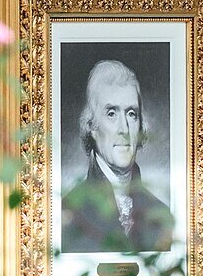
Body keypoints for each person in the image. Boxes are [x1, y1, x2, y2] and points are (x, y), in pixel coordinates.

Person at [60, 59, 177, 254]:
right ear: (92, 126)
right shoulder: (66, 214)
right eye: (111, 113)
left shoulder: (162, 213)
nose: (124, 129)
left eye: (131, 114)